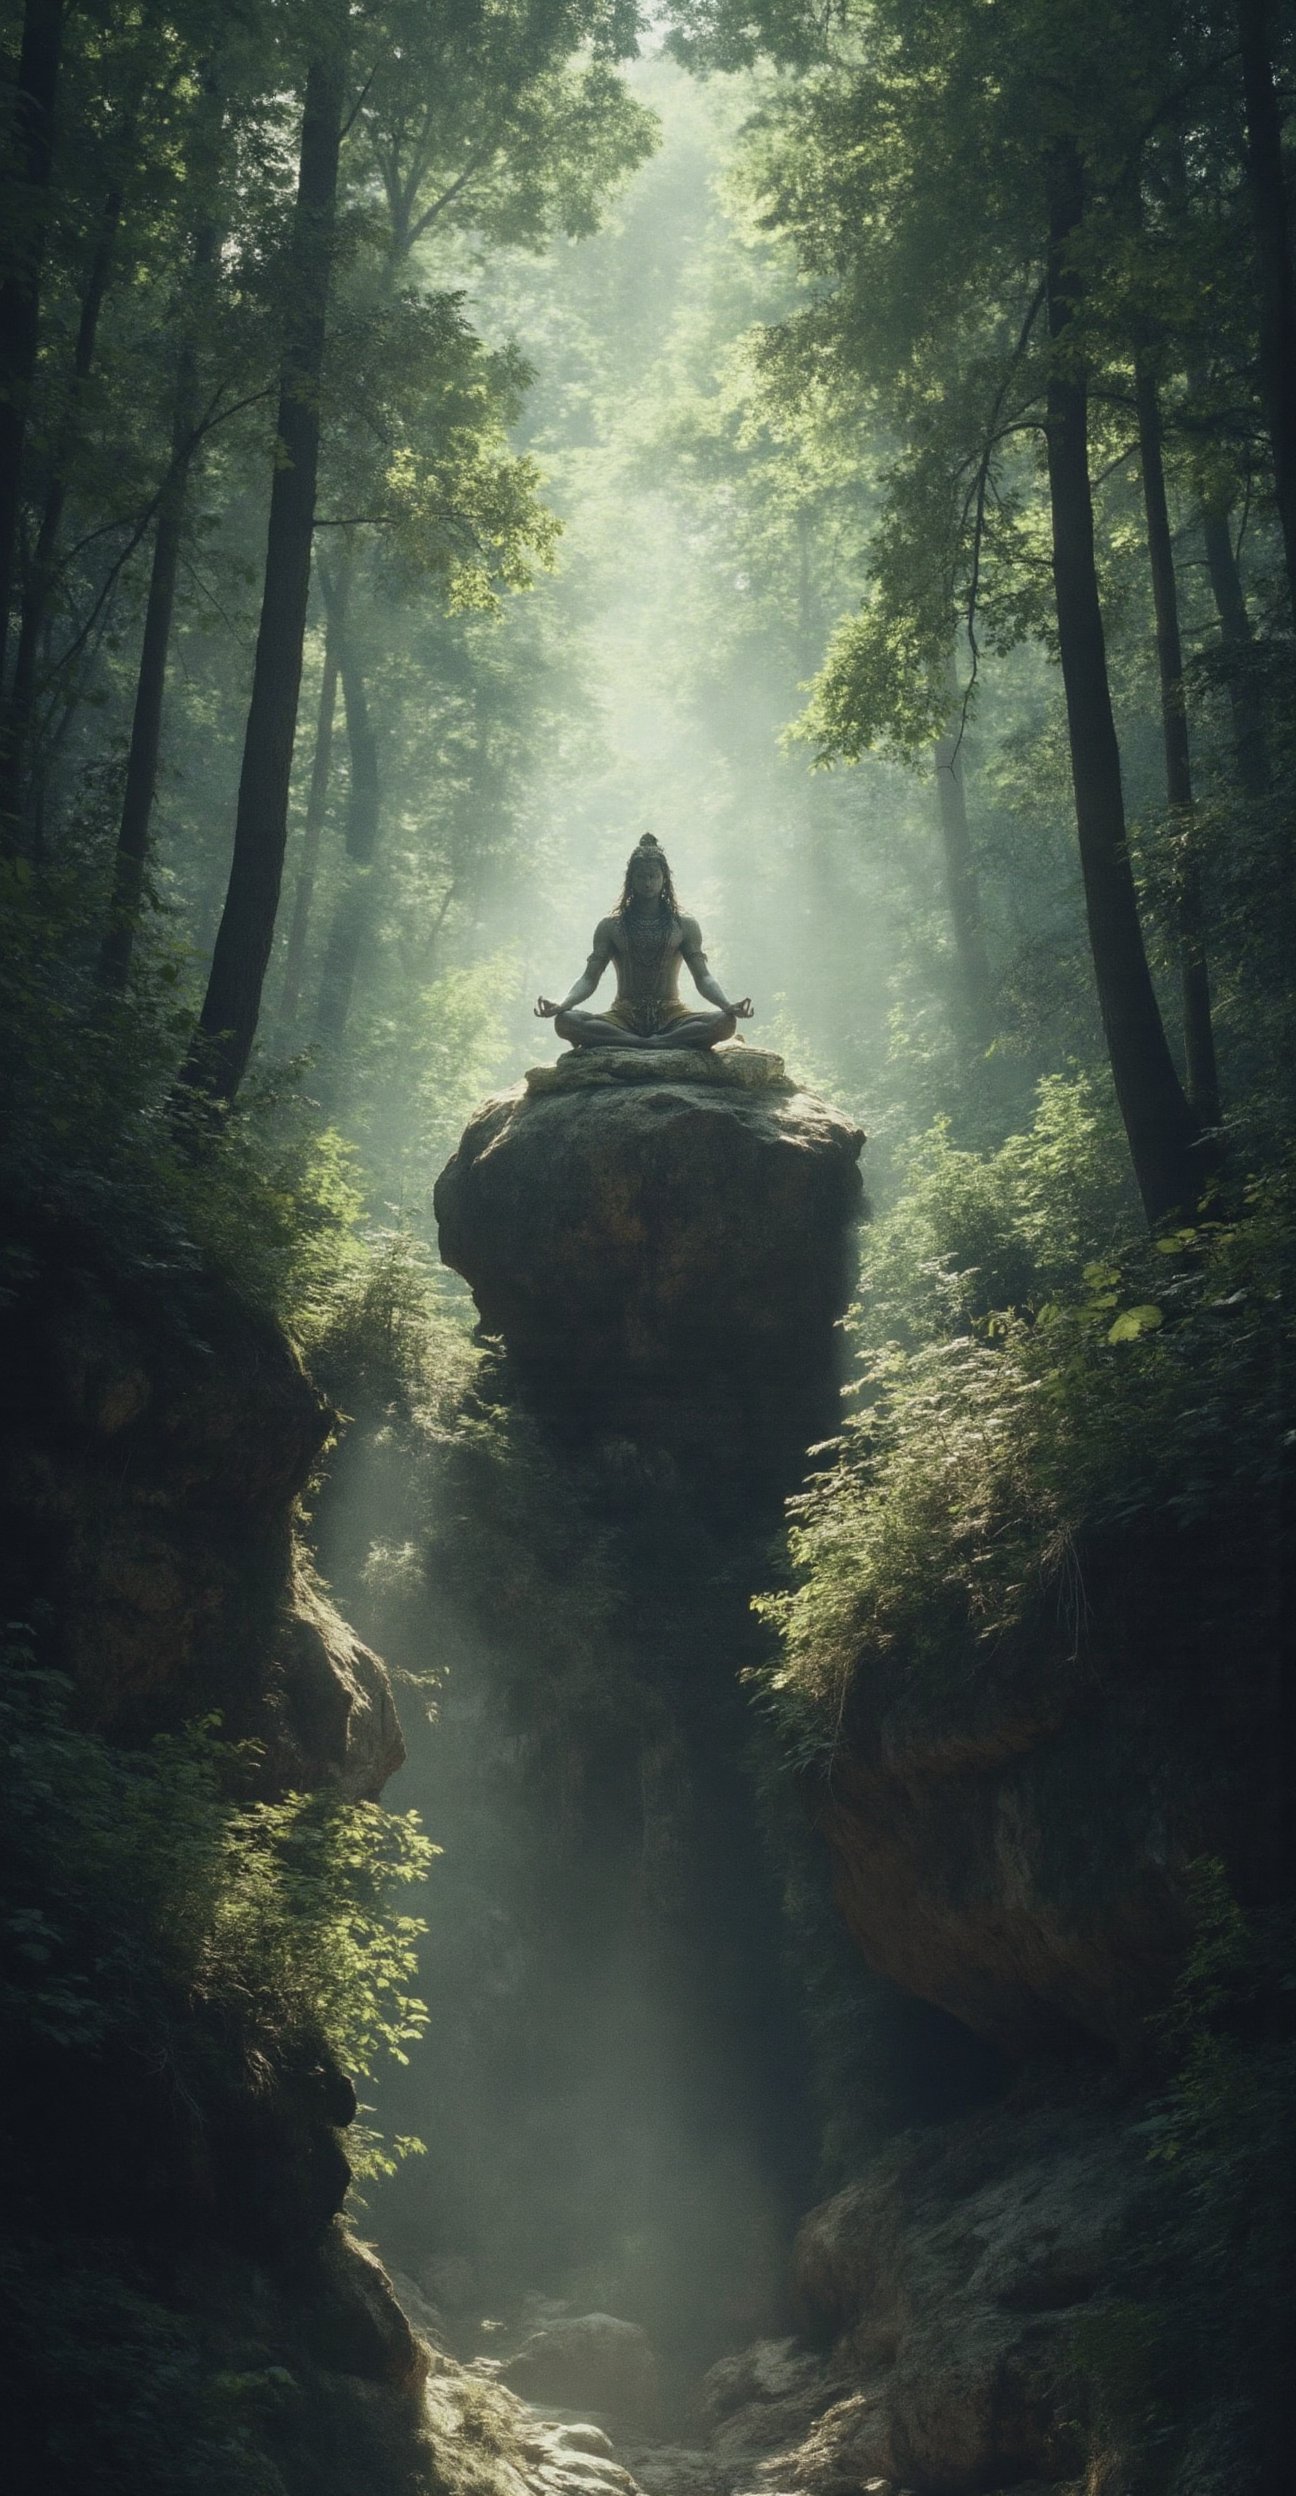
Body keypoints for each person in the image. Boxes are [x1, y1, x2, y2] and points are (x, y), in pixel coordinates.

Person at [535, 836, 754, 1050]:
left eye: (653, 876)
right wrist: (563, 1005)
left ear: (664, 879)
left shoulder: (684, 925)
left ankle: (654, 1042)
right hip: (623, 1016)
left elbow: (703, 976)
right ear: (631, 879)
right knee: (565, 1021)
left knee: (726, 1022)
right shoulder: (610, 926)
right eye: (641, 877)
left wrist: (726, 1005)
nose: (648, 883)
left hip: (672, 1015)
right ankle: (643, 1043)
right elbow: (589, 978)